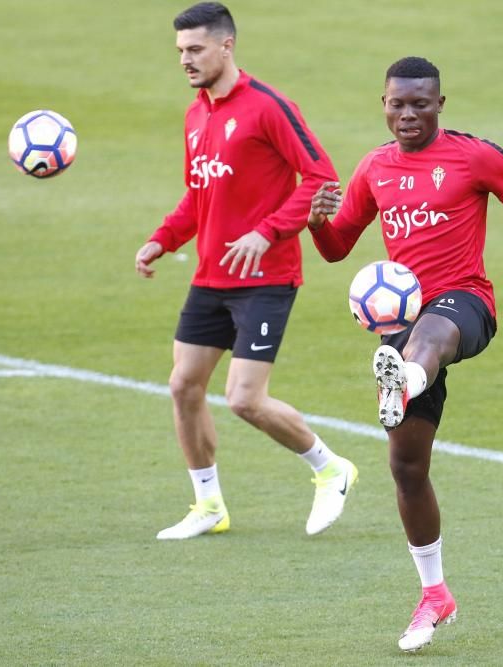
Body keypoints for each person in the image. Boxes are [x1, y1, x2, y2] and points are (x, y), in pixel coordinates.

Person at [307, 56, 503, 652]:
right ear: (382, 103)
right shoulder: (375, 167)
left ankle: (401, 378)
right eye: (396, 104)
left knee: (428, 335)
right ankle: (435, 594)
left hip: (466, 308)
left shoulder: (474, 156)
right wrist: (316, 224)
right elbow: (336, 250)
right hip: (400, 323)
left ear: (440, 104)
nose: (407, 114)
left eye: (420, 104)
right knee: (407, 469)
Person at [135, 2, 357, 541]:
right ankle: (208, 505)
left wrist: (269, 230)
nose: (185, 61)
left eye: (195, 50)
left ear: (226, 45)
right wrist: (162, 240)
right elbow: (199, 194)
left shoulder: (268, 107)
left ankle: (331, 469)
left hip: (266, 277)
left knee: (243, 399)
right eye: (180, 52)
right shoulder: (196, 113)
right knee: (184, 387)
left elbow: (321, 176)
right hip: (211, 276)